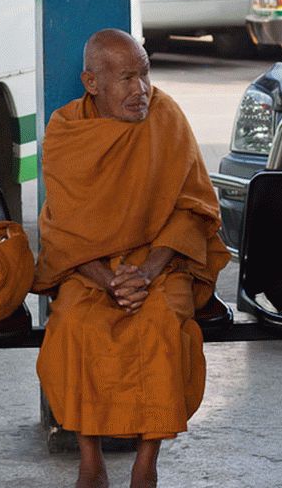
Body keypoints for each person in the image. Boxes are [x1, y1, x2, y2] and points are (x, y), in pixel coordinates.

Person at [34, 29, 229, 488]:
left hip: (163, 260)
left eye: (144, 74)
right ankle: (91, 459)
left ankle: (147, 462)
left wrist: (147, 270)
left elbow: (194, 207)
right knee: (75, 328)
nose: (140, 90)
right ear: (91, 82)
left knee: (160, 325)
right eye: (125, 78)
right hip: (90, 265)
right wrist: (109, 281)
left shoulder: (167, 118)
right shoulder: (67, 132)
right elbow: (63, 226)